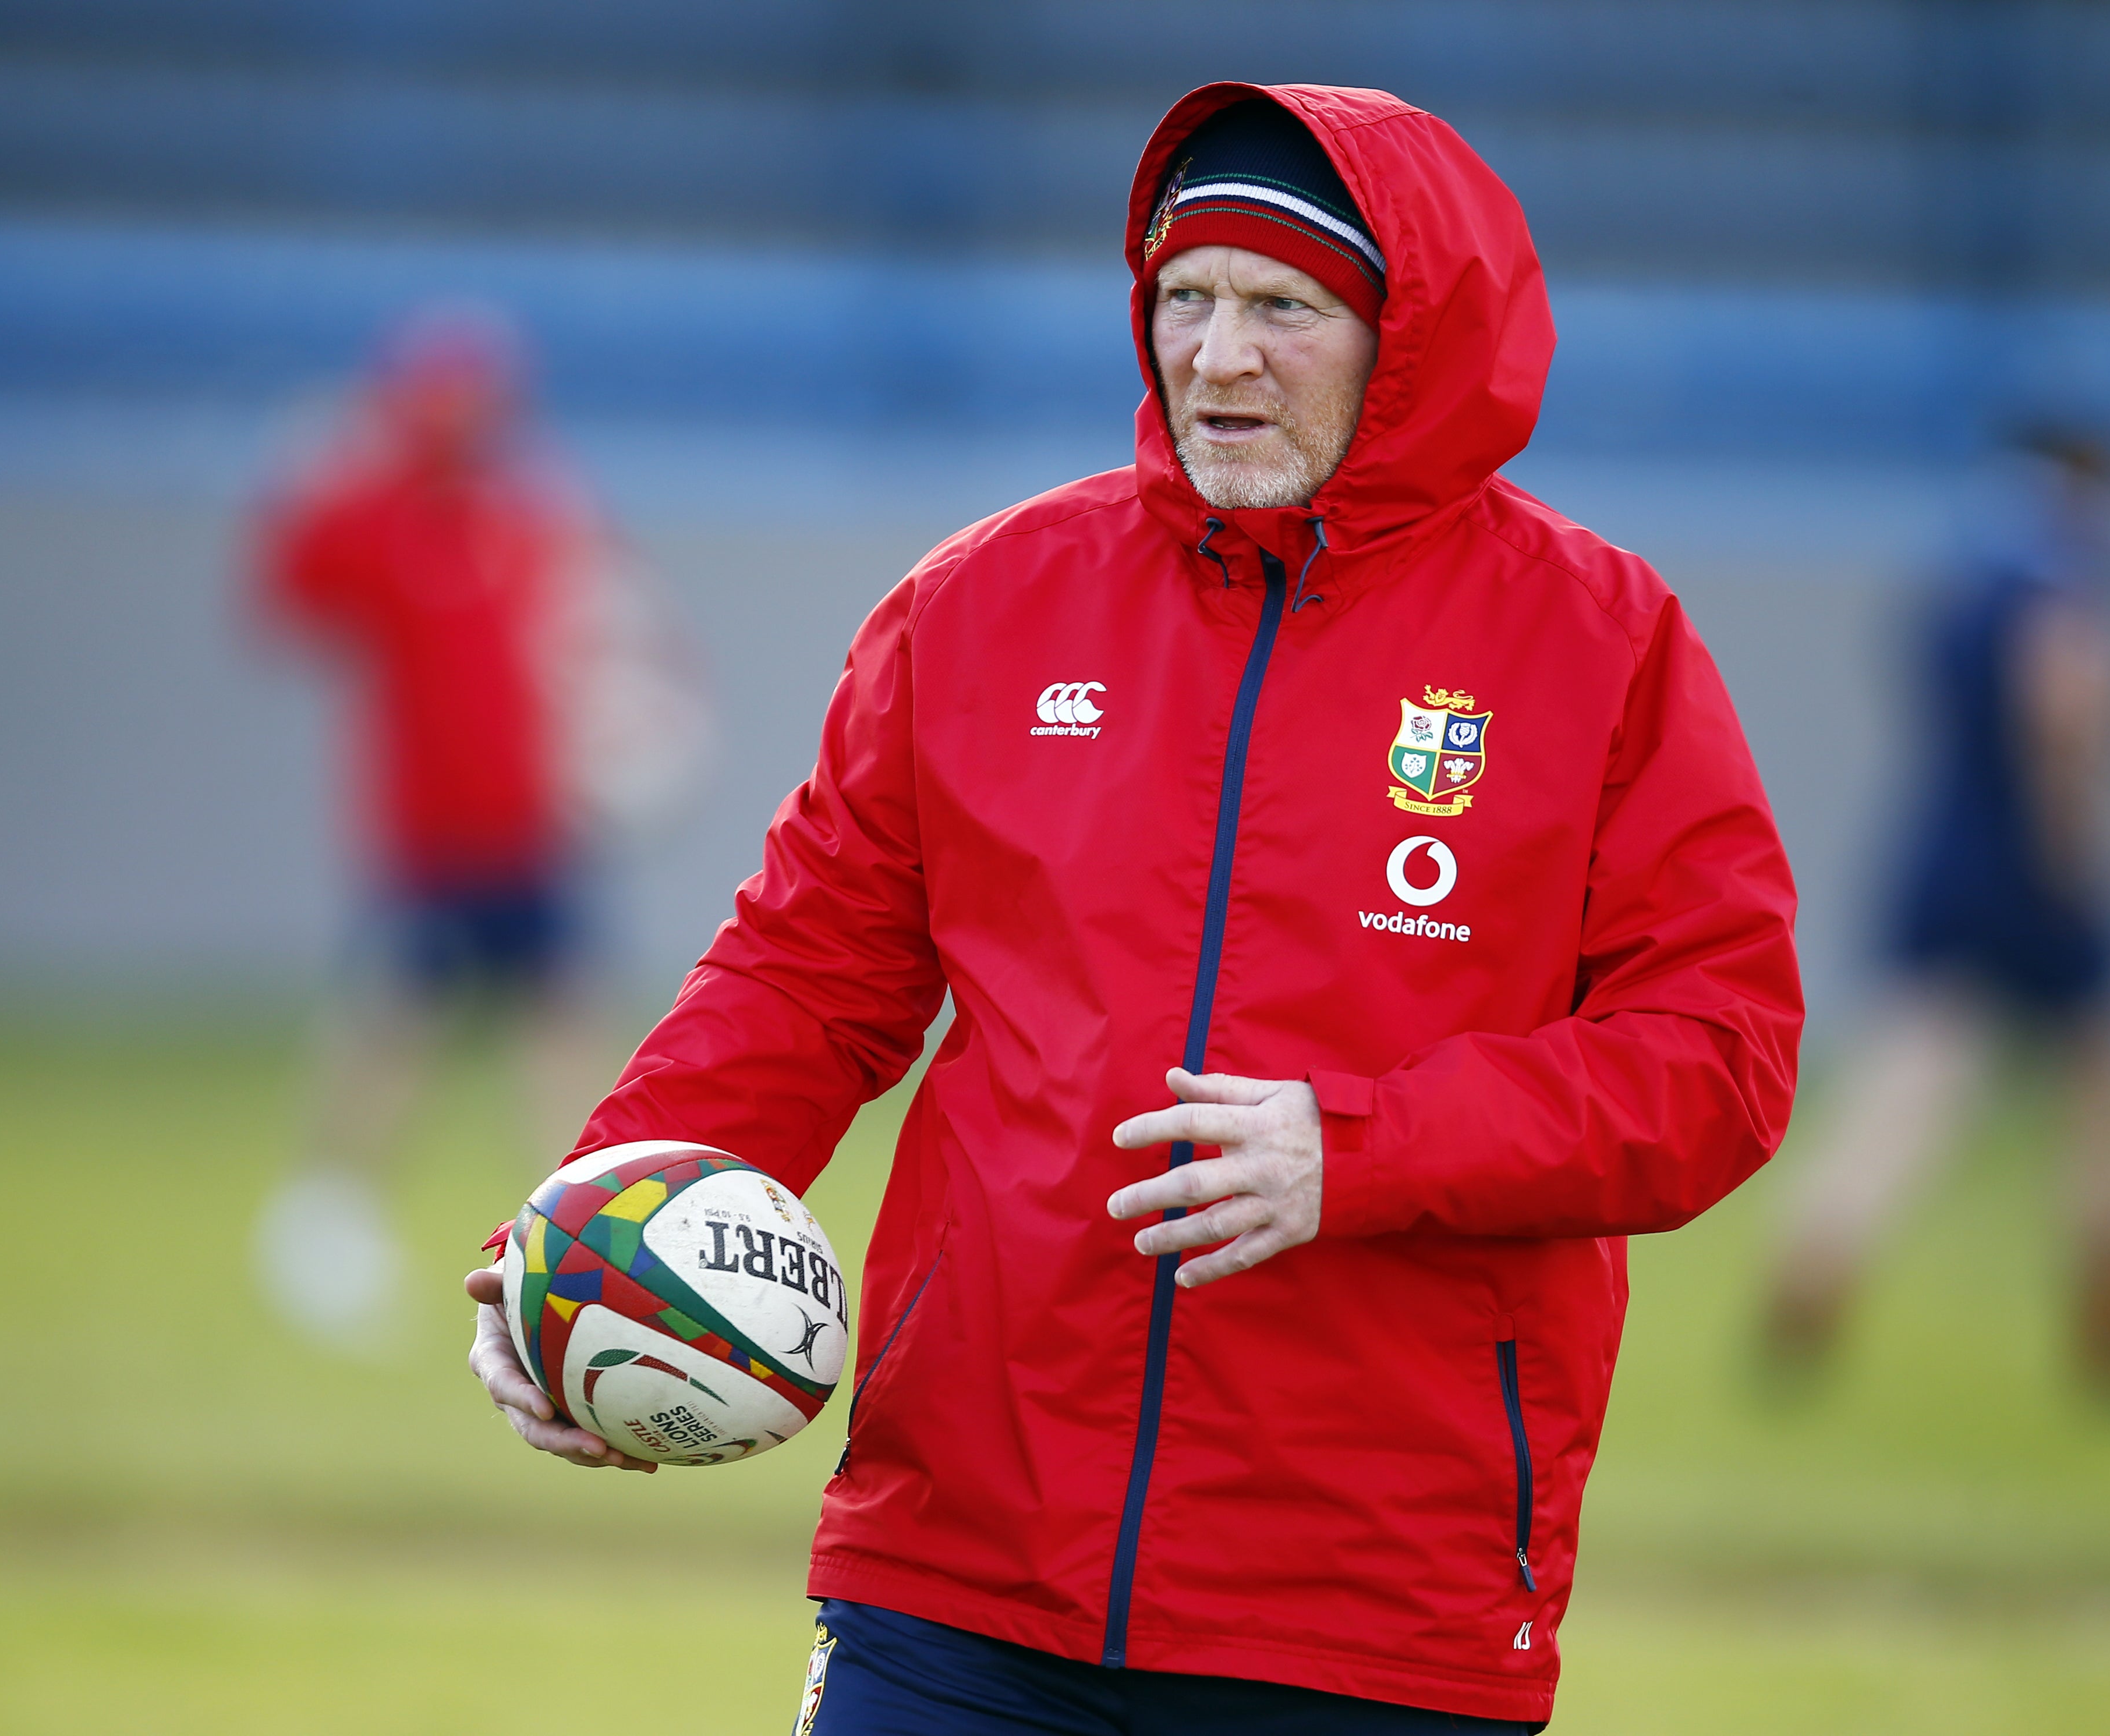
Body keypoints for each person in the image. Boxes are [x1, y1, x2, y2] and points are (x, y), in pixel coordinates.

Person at [465, 85, 1800, 1732]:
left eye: (1283, 308)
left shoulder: (1601, 645)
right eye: (1185, 297)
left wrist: (1365, 1146)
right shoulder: (984, 604)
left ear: (1414, 336)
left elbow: (1718, 1060)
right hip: (957, 1575)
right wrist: (588, 1239)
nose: (1217, 355)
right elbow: (802, 981)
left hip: (1372, 1609)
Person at [256, 306, 693, 1345]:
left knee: (559, 1023)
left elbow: (596, 641)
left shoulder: (528, 517)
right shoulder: (388, 520)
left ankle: (573, 1229)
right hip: (436, 833)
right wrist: (320, 472)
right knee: (399, 1021)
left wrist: (616, 747)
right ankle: (325, 1209)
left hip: (532, 828)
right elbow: (293, 588)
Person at [1760, 427, 2110, 1394]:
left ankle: (1816, 1261)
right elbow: (2067, 708)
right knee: (2107, 1096)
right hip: (2039, 862)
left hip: (1945, 850)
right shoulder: (2066, 579)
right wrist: (2080, 849)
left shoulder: (1961, 573)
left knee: (1908, 1090)